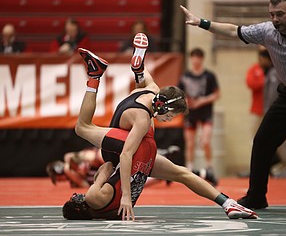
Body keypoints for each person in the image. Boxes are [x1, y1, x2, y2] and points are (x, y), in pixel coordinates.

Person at [62, 33, 258, 220]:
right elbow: (123, 157)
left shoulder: (148, 106)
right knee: (181, 173)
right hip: (136, 147)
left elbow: (115, 162)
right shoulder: (149, 102)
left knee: (88, 131)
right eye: (171, 116)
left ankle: (118, 73)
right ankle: (227, 203)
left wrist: (125, 197)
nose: (169, 120)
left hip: (134, 147)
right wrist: (125, 197)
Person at [180, 0, 286, 209]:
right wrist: (201, 23)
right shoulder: (266, 31)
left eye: (280, 14)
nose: (275, 19)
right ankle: (256, 196)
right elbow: (232, 30)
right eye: (272, 14)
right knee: (262, 142)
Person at [178, 47, 220, 186]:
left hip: (205, 112)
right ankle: (189, 169)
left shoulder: (209, 76)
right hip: (191, 113)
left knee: (205, 141)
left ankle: (209, 166)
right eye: (193, 57)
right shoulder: (185, 77)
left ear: (202, 59)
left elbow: (217, 94)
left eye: (198, 57)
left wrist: (202, 100)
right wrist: (186, 103)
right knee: (190, 143)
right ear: (191, 59)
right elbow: (179, 94)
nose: (196, 60)